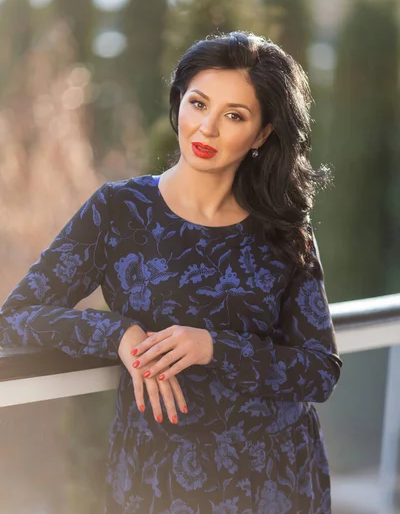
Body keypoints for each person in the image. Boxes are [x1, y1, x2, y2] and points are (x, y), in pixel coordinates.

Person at [0, 31, 342, 514]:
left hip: (277, 480)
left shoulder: (284, 228)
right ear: (179, 100)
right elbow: (16, 314)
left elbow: (319, 371)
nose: (207, 129)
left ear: (263, 133)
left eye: (234, 116)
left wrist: (212, 347)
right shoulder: (120, 210)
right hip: (158, 482)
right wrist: (119, 334)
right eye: (198, 103)